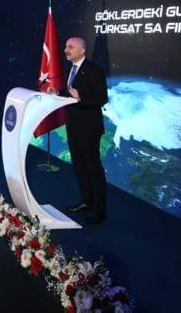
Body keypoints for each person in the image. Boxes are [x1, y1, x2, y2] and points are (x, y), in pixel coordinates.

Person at [62, 37, 109, 225]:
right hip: (73, 126)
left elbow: (101, 98)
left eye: (70, 47)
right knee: (80, 166)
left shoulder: (94, 70)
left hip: (89, 128)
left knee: (92, 168)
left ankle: (99, 211)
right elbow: (70, 94)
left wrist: (81, 98)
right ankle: (86, 201)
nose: (66, 50)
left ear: (82, 50)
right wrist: (57, 93)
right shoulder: (70, 69)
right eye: (66, 47)